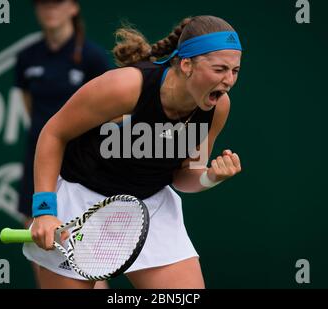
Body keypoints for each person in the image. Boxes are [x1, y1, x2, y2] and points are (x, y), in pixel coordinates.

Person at [23, 15, 243, 289]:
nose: (229, 80)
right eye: (220, 69)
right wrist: (44, 211)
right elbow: (53, 134)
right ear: (186, 64)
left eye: (235, 71)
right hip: (80, 201)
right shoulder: (125, 87)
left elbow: (184, 175)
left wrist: (210, 177)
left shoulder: (217, 108)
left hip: (148, 208)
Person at [14, 0, 112, 288]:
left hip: (83, 169)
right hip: (39, 164)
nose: (49, 9)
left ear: (72, 7)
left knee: (89, 263)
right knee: (42, 255)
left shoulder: (93, 58)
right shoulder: (27, 57)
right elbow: (32, 111)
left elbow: (106, 113)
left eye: (56, 3)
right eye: (43, 4)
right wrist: (50, 147)